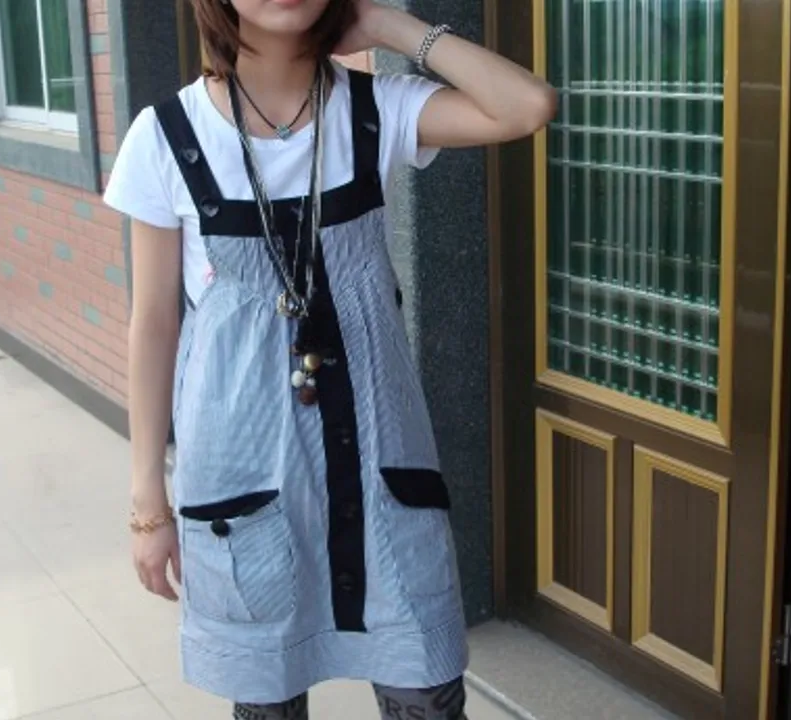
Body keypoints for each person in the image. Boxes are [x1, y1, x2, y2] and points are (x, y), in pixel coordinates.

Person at [103, 0, 554, 717]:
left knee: (426, 693)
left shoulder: (377, 109)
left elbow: (526, 106)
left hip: (380, 470)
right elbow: (153, 323)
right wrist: (147, 501)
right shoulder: (166, 136)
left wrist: (387, 27)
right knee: (268, 703)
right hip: (246, 473)